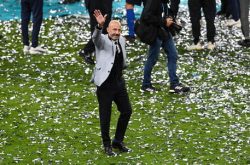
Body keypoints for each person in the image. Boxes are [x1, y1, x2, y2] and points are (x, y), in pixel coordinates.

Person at [91, 10, 132, 156]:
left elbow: (121, 58)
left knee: (127, 111)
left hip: (119, 83)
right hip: (105, 85)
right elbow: (95, 37)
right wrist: (99, 26)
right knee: (105, 115)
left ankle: (118, 141)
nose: (117, 32)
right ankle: (107, 144)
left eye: (119, 30)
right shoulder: (101, 40)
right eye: (114, 29)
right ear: (108, 29)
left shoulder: (121, 40)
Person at [140, 0, 190, 93]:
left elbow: (166, 12)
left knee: (173, 55)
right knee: (152, 58)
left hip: (164, 31)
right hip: (155, 32)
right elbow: (146, 16)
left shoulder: (166, 1)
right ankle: (146, 84)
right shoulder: (153, 1)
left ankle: (174, 84)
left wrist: (171, 20)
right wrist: (163, 21)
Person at [79, 0, 113, 65]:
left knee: (102, 28)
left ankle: (91, 51)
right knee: (101, 29)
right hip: (97, 4)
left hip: (100, 4)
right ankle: (87, 50)